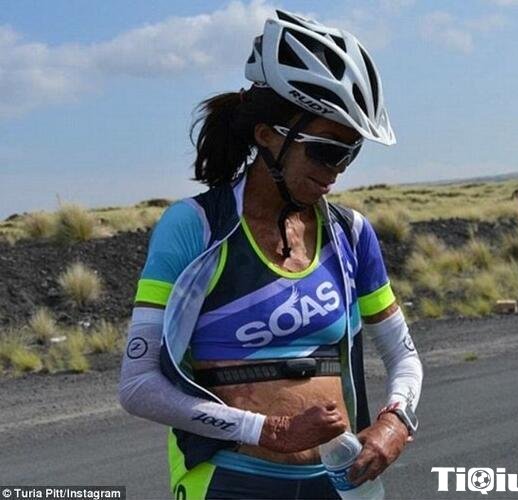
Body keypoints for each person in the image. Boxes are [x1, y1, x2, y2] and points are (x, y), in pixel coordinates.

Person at [119, 10, 423, 500]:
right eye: (325, 150)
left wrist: (397, 419)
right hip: (231, 482)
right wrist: (268, 430)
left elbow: (403, 356)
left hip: (340, 483)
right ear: (267, 135)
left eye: (351, 153)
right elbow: (138, 386)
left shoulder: (351, 234)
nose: (338, 171)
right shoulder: (195, 228)